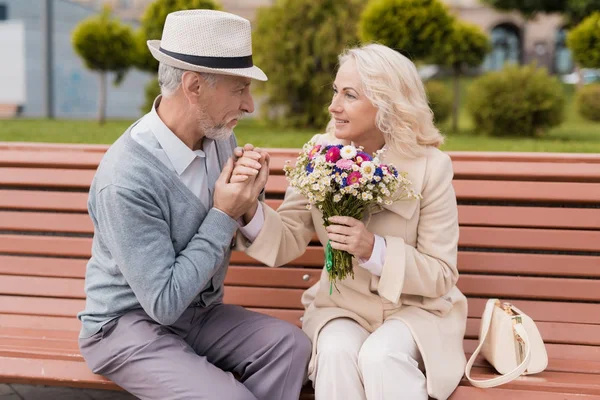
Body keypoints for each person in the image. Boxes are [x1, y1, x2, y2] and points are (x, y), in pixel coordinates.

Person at [77, 10, 311, 400]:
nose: (250, 105)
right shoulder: (126, 179)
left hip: (198, 316)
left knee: (290, 347)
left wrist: (248, 202)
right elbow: (164, 304)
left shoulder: (218, 137)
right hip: (125, 326)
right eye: (239, 89)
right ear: (194, 85)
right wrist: (222, 213)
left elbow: (233, 222)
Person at [232, 43, 468, 400]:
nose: (333, 106)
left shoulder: (431, 167)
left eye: (350, 95)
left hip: (416, 312)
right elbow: (288, 238)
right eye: (335, 92)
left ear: (387, 104)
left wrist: (375, 250)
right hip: (342, 307)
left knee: (381, 356)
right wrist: (249, 204)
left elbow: (441, 274)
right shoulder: (319, 151)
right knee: (336, 352)